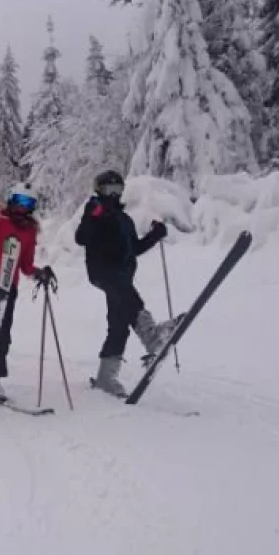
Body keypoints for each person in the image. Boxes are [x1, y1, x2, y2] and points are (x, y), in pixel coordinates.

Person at [74, 169, 172, 397]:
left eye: (118, 189)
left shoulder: (124, 219)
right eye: (109, 189)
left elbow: (134, 249)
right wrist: (93, 215)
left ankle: (106, 377)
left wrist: (155, 236)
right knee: (131, 299)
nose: (114, 194)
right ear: (99, 189)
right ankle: (151, 336)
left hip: (121, 273)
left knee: (119, 323)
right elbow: (81, 237)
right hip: (103, 270)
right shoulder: (95, 210)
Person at [0, 184, 56, 399]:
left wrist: (40, 273)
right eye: (20, 201)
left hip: (9, 282)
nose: (23, 208)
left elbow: (25, 265)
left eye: (28, 204)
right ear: (12, 200)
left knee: (3, 331)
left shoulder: (30, 230)